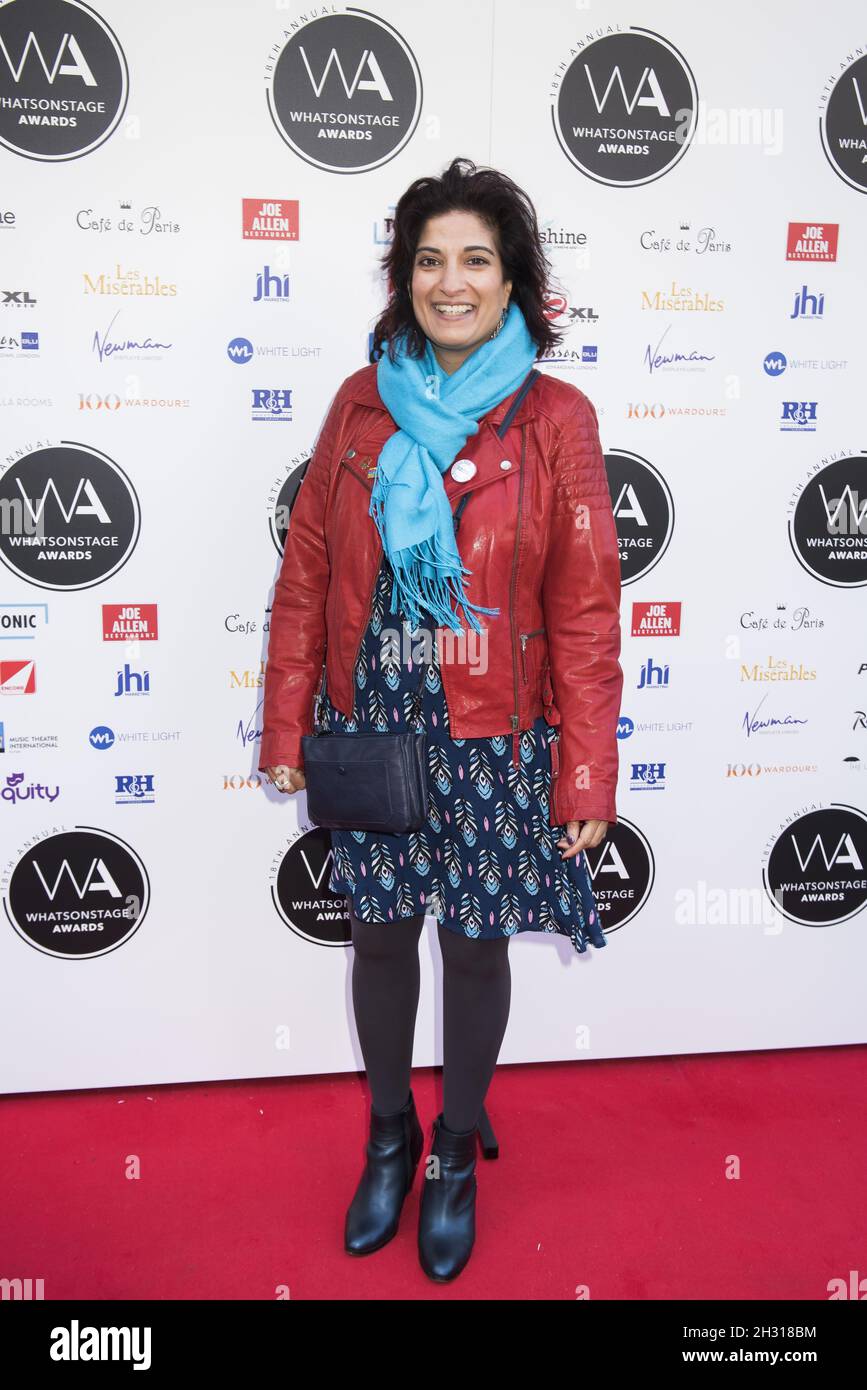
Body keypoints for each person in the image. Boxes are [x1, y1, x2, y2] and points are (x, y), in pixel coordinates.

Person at [260, 156, 623, 1283]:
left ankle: (455, 1151)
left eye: (476, 260)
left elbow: (585, 606)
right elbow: (311, 568)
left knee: (471, 944)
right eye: (430, 260)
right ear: (401, 276)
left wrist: (585, 776)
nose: (450, 282)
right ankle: (389, 1135)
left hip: (496, 724)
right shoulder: (361, 404)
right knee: (378, 937)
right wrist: (284, 725)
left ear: (514, 282)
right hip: (378, 716)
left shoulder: (557, 417)